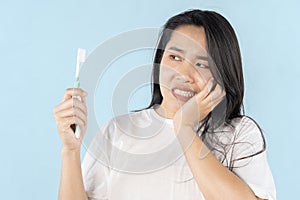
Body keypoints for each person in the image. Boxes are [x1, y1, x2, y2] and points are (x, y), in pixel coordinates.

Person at [53, 9, 276, 200]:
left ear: (223, 74)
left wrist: (184, 128)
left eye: (202, 63)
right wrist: (70, 151)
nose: (183, 74)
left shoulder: (238, 133)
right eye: (175, 58)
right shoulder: (119, 131)